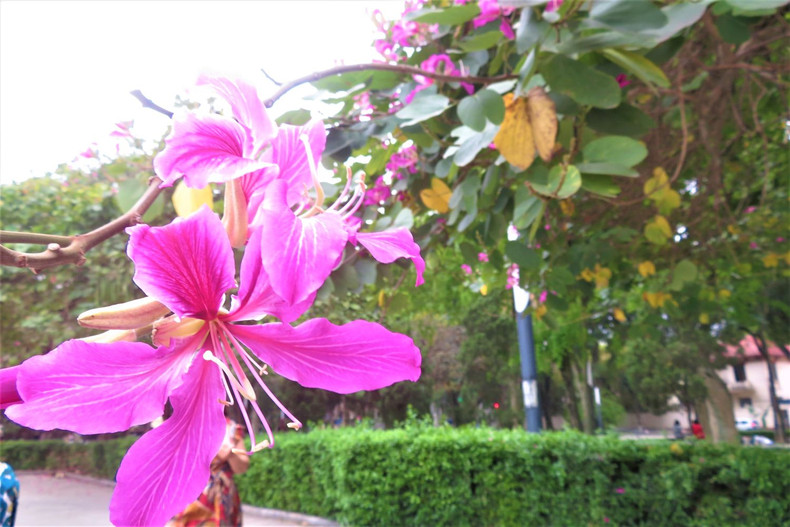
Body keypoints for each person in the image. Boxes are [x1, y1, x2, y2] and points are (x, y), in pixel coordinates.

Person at [167, 417, 250, 527]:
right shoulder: (191, 421)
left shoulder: (232, 428)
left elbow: (242, 468)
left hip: (223, 493)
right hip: (195, 490)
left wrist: (230, 454)